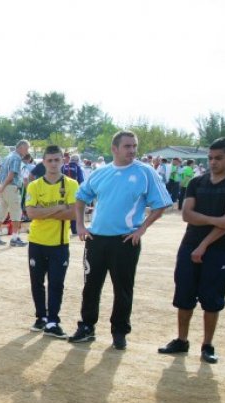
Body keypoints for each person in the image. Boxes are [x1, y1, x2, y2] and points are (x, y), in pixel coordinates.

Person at [69, 130, 172, 349]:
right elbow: (80, 197)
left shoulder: (145, 172)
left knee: (123, 288)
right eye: (127, 146)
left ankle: (119, 331)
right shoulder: (100, 173)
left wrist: (141, 230)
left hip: (125, 241)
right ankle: (87, 326)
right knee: (91, 286)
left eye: (134, 146)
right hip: (96, 239)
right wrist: (79, 225)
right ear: (114, 149)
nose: (132, 150)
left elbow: (161, 204)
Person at [158, 138, 225, 363]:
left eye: (218, 158)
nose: (213, 162)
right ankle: (181, 340)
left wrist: (204, 244)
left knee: (212, 298)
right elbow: (187, 214)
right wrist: (214, 220)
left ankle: (207, 345)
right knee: (184, 295)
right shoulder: (197, 182)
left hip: (217, 249)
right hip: (189, 244)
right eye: (210, 158)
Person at [23, 145, 80, 338]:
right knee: (37, 282)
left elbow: (72, 213)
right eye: (50, 160)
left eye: (57, 160)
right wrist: (59, 207)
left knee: (56, 283)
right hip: (37, 241)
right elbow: (31, 213)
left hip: (59, 243)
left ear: (63, 161)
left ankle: (53, 321)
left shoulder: (72, 185)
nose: (54, 164)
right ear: (44, 162)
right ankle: (41, 318)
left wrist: (44, 212)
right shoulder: (35, 185)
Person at [0, 140, 29, 247]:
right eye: (26, 148)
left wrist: (1, 187)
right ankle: (15, 237)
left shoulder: (9, 156)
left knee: (2, 212)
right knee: (16, 213)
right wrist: (3, 187)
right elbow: (12, 174)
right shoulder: (16, 158)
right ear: (21, 147)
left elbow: (2, 172)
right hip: (11, 187)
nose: (27, 151)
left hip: (5, 186)